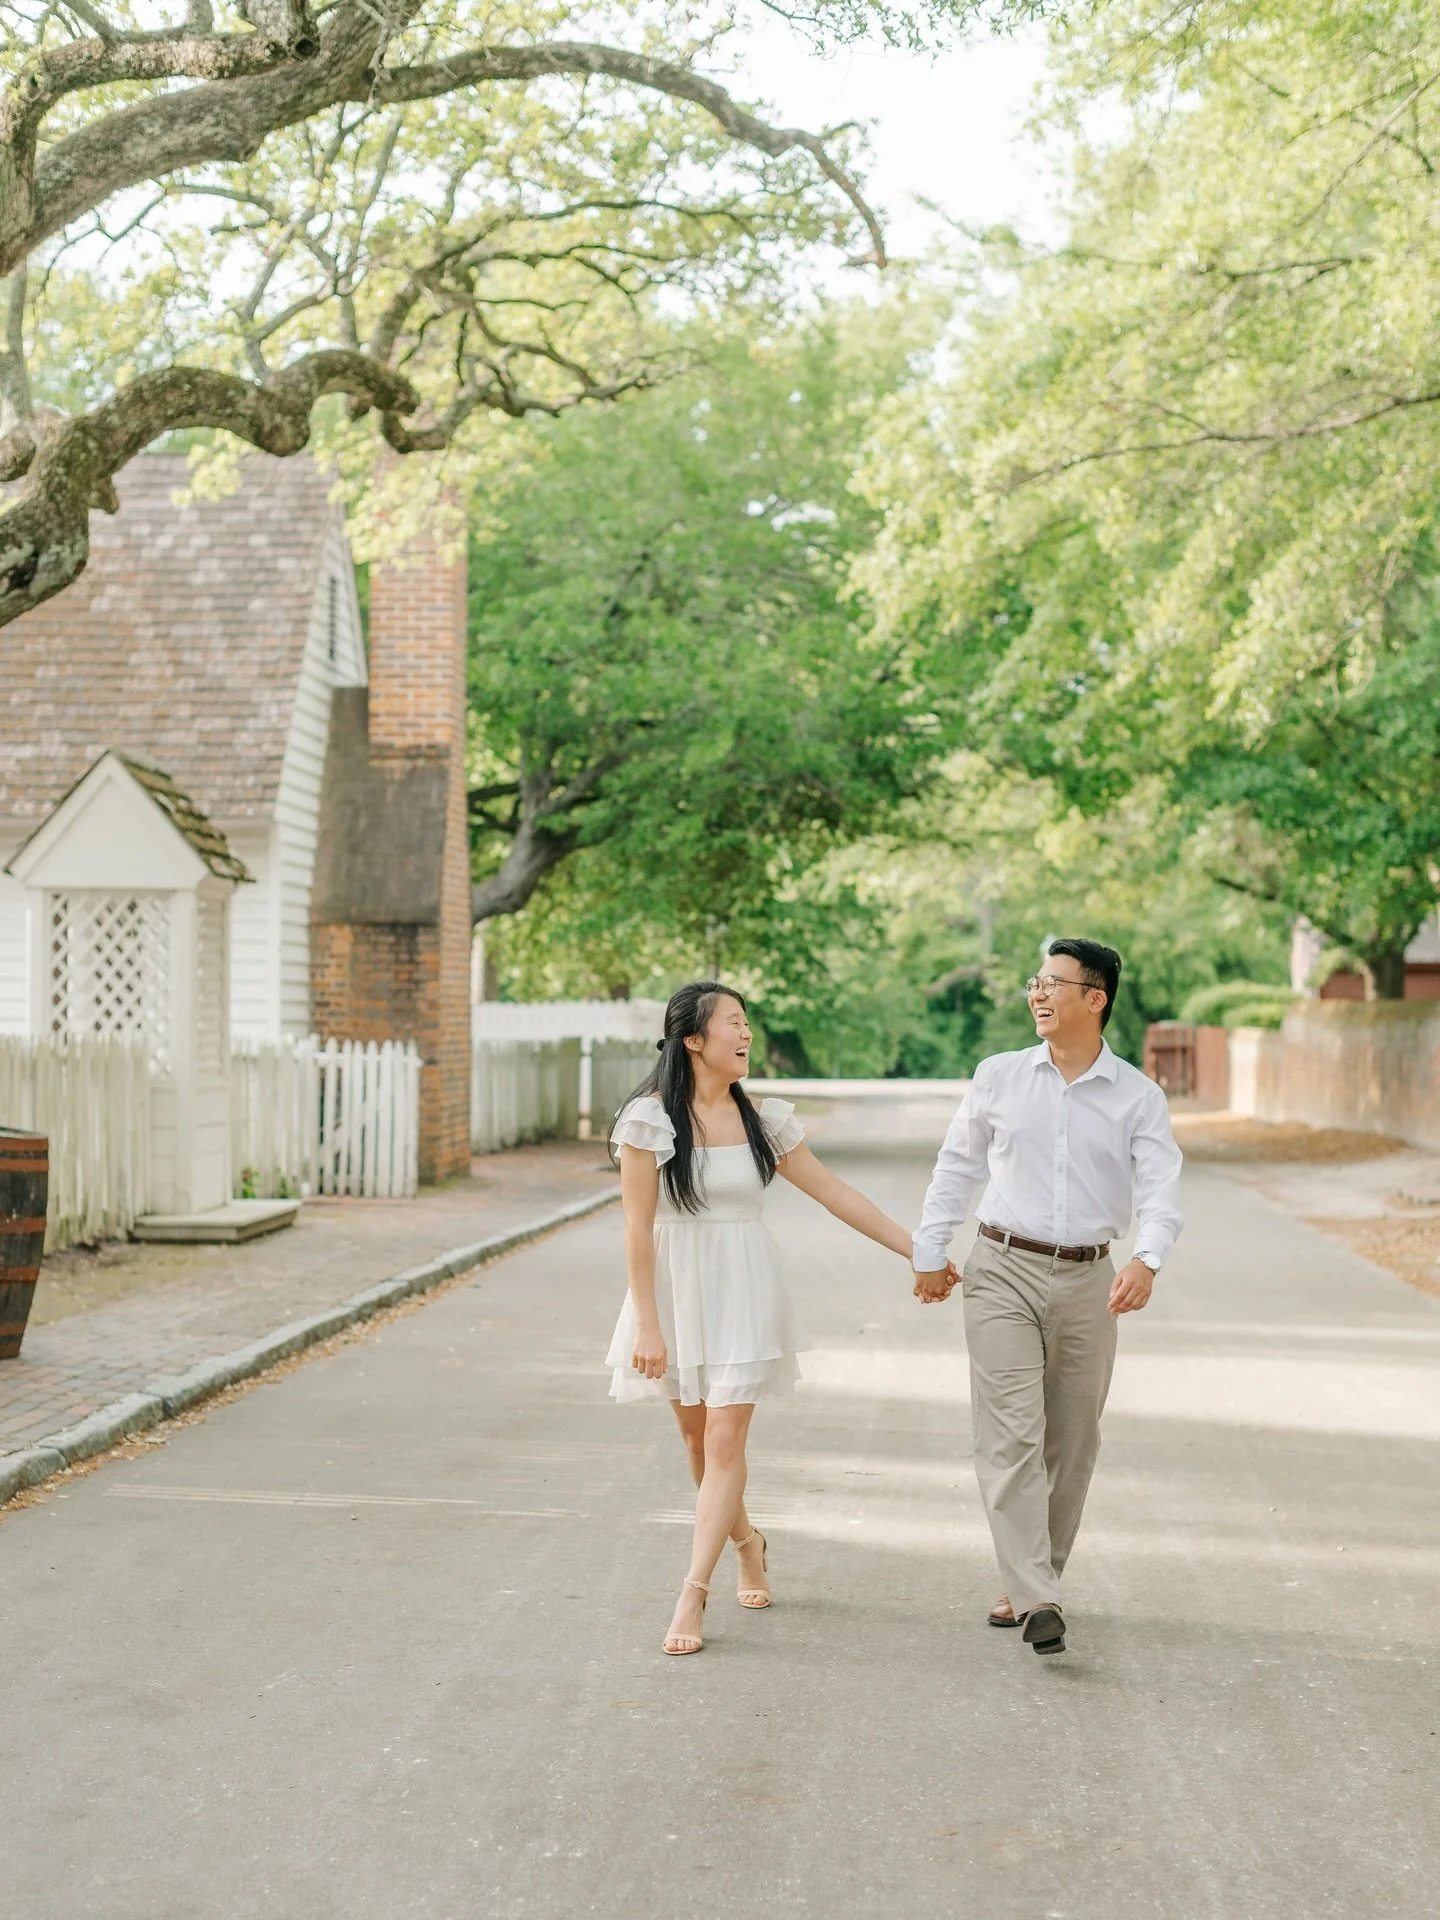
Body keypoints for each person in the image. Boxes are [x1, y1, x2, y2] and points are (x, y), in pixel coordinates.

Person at [607, 979, 927, 1656]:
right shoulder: (649, 1120)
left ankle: (692, 1594)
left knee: (725, 1445)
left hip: (745, 1288)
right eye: (733, 1023)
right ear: (693, 1039)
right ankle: (748, 1543)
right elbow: (637, 1231)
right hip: (676, 1292)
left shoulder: (765, 1120)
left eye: (747, 1022)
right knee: (698, 1447)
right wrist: (647, 1325)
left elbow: (835, 1192)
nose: (746, 1034)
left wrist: (916, 1249)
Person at [911, 938, 1183, 1656]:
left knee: (1072, 1440)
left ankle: (1035, 1581)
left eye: (1054, 984)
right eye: (1036, 982)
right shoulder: (998, 1077)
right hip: (1001, 1267)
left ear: (1094, 999)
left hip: (1091, 1279)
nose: (1038, 994)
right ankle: (1036, 1594)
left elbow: (1160, 1192)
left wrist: (1147, 1261)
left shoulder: (1137, 1096)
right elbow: (957, 1167)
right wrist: (929, 1246)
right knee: (1010, 1434)